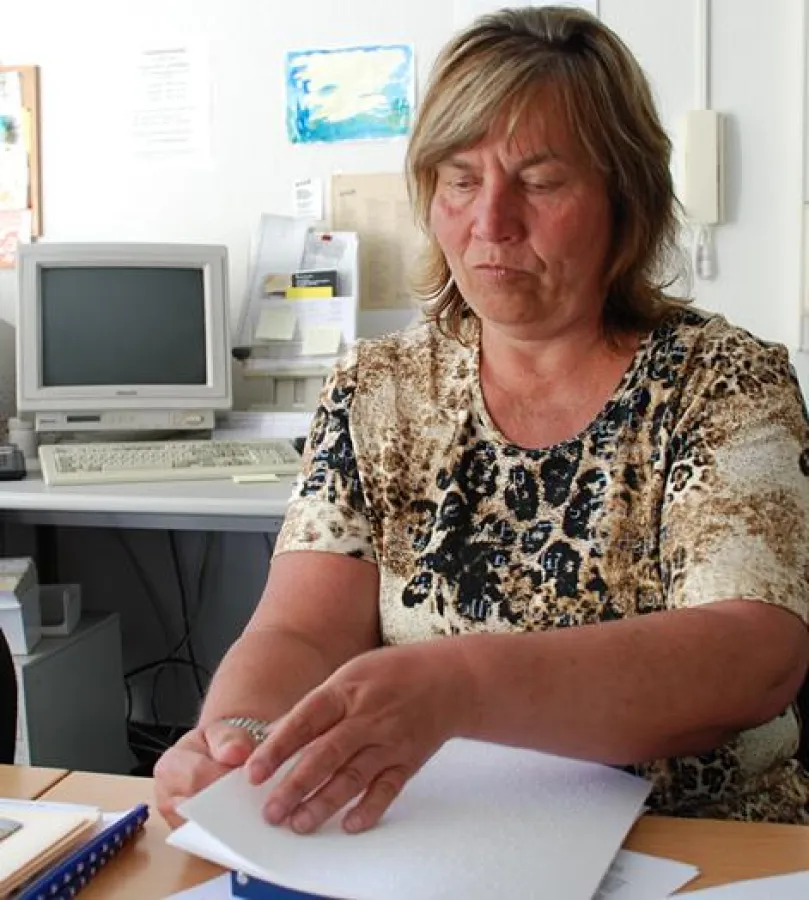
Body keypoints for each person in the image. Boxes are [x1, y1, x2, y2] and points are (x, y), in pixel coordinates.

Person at [155, 5, 809, 832]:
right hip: (440, 837)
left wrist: (461, 686)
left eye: (539, 183)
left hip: (697, 840)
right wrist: (238, 738)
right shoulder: (376, 387)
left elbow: (751, 655)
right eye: (460, 180)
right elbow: (300, 634)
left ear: (624, 201)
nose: (490, 223)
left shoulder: (718, 381)